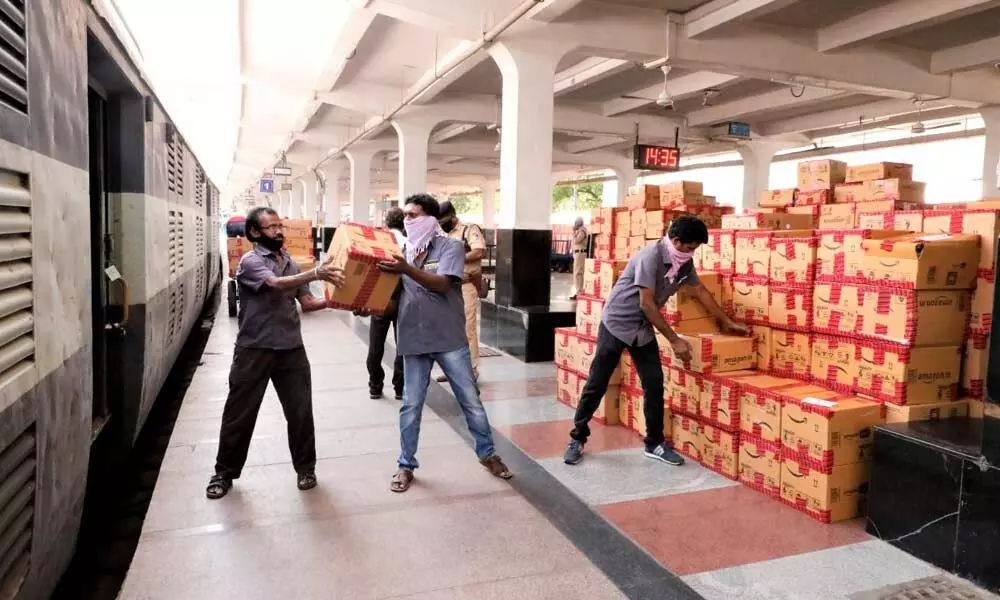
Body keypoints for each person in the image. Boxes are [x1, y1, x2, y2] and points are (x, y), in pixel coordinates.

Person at [563, 214, 749, 466]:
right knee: (598, 381)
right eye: (690, 247)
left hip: (642, 329)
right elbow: (647, 305)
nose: (692, 253)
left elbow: (700, 291)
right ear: (675, 240)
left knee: (654, 384)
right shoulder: (650, 257)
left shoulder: (683, 262)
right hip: (617, 323)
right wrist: (674, 340)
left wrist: (725, 321)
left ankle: (654, 443)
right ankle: (577, 438)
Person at [375, 193, 512, 493]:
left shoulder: (450, 247)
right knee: (411, 405)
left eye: (414, 215)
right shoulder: (402, 253)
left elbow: (442, 284)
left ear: (430, 218)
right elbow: (395, 299)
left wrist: (406, 269)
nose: (408, 220)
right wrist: (369, 305)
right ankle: (405, 464)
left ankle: (487, 454)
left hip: (449, 338)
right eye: (406, 216)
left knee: (470, 400)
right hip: (413, 337)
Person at [206, 207, 346, 499]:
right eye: (272, 227)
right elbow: (274, 284)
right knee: (239, 414)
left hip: (291, 349)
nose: (279, 231)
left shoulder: (291, 263)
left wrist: (341, 302)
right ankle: (224, 472)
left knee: (300, 412)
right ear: (255, 232)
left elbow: (307, 302)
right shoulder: (250, 262)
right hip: (254, 350)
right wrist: (317, 271)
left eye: (280, 226)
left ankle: (305, 469)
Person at [437, 200, 487, 381]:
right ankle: (451, 369)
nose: (442, 224)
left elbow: (480, 251)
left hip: (466, 285)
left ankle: (471, 370)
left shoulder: (468, 229)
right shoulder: (443, 232)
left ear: (453, 216)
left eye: (444, 220)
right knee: (449, 329)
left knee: (468, 329)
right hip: (448, 286)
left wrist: (456, 258)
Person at [367, 206, 406, 400]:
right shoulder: (408, 242)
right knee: (403, 346)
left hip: (380, 297)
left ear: (386, 223)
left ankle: (375, 385)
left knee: (376, 345)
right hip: (402, 298)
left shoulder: (378, 242)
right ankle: (400, 387)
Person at [569, 217, 588, 300]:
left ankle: (579, 292)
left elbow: (576, 241)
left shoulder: (582, 231)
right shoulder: (580, 230)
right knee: (578, 273)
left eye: (576, 222)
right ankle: (579, 291)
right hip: (578, 253)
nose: (575, 224)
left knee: (578, 274)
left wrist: (573, 232)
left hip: (580, 253)